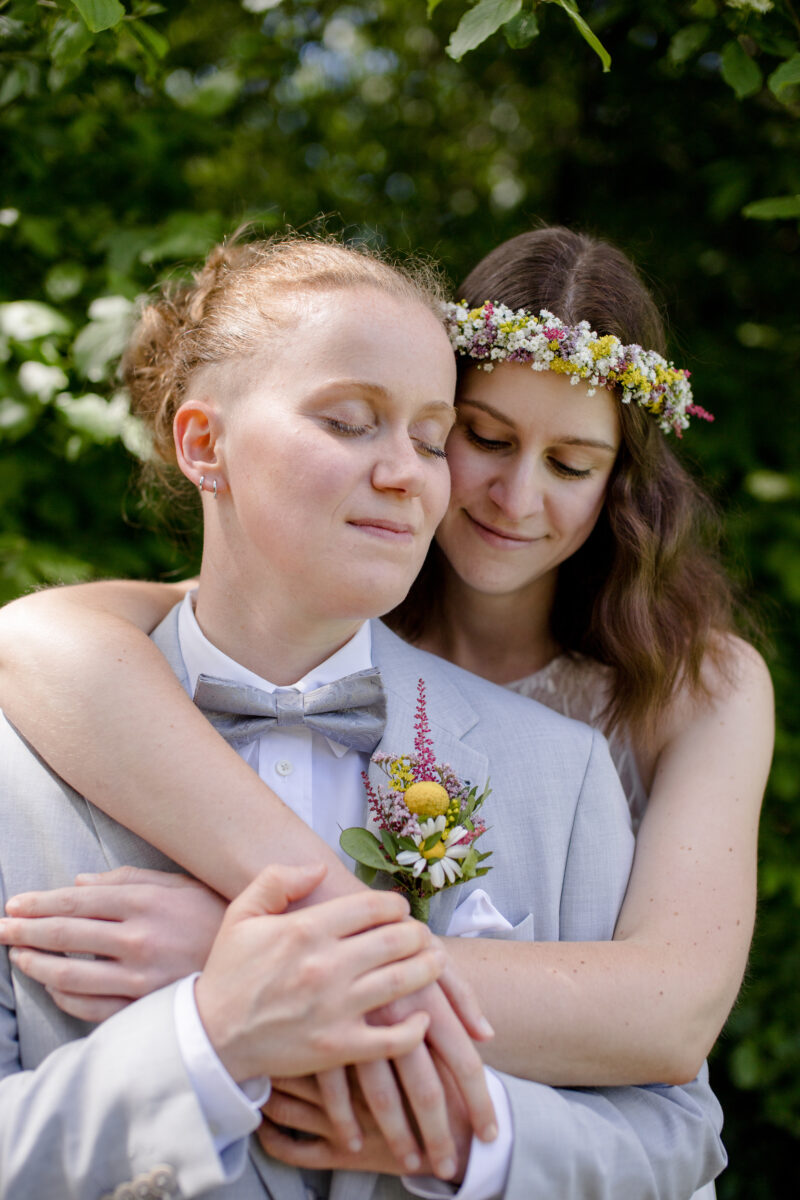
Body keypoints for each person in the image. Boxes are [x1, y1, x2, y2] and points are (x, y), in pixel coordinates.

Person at [0, 231, 730, 1198]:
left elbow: (674, 1137)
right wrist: (202, 1043)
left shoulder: (562, 769)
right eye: (348, 422)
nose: (406, 473)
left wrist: (470, 1139)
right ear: (202, 443)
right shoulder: (28, 747)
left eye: (432, 439)